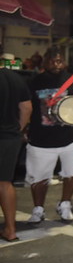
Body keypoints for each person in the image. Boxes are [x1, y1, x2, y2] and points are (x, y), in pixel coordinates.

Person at [26, 46, 73, 224]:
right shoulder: (34, 81)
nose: (56, 64)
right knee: (39, 177)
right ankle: (38, 208)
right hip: (40, 139)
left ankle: (65, 203)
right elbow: (26, 106)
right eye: (52, 60)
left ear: (64, 62)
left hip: (70, 138)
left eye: (59, 60)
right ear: (45, 61)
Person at [0, 68, 32, 242]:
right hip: (10, 138)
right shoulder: (15, 78)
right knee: (5, 183)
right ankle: (10, 229)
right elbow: (27, 108)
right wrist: (17, 130)